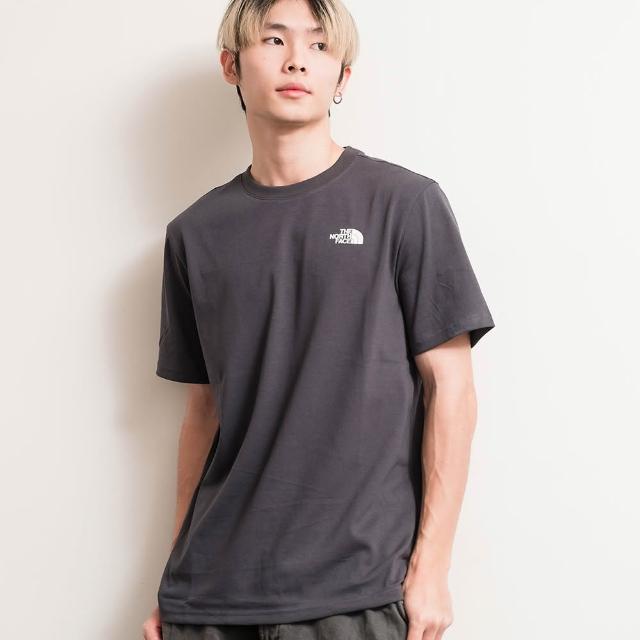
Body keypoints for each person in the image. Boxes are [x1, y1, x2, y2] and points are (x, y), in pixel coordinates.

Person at [142, 0, 496, 638]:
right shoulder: (195, 233)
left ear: (343, 77)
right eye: (273, 40)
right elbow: (203, 412)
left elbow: (452, 388)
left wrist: (432, 567)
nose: (297, 60)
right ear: (231, 65)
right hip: (211, 598)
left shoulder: (404, 204)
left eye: (319, 45)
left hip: (356, 591)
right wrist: (175, 576)